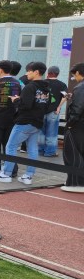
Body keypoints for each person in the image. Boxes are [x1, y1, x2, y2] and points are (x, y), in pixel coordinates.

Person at [0, 62, 50, 185]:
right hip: (38, 122)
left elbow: (25, 106)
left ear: (36, 72)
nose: (26, 73)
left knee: (10, 147)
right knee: (32, 149)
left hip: (24, 121)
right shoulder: (46, 88)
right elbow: (47, 106)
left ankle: (6, 174)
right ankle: (28, 176)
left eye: (29, 71)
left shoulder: (30, 87)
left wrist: (16, 100)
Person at [62, 63, 84, 192]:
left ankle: (76, 183)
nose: (74, 78)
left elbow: (78, 108)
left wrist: (69, 123)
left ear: (77, 73)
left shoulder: (80, 87)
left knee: (73, 153)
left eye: (74, 75)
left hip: (77, 125)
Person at [38, 66, 68, 157]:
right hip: (54, 111)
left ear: (48, 73)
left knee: (41, 131)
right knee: (52, 132)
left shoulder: (42, 83)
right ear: (58, 74)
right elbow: (65, 96)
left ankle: (40, 150)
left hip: (41, 111)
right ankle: (50, 152)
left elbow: (38, 96)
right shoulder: (61, 84)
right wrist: (59, 107)